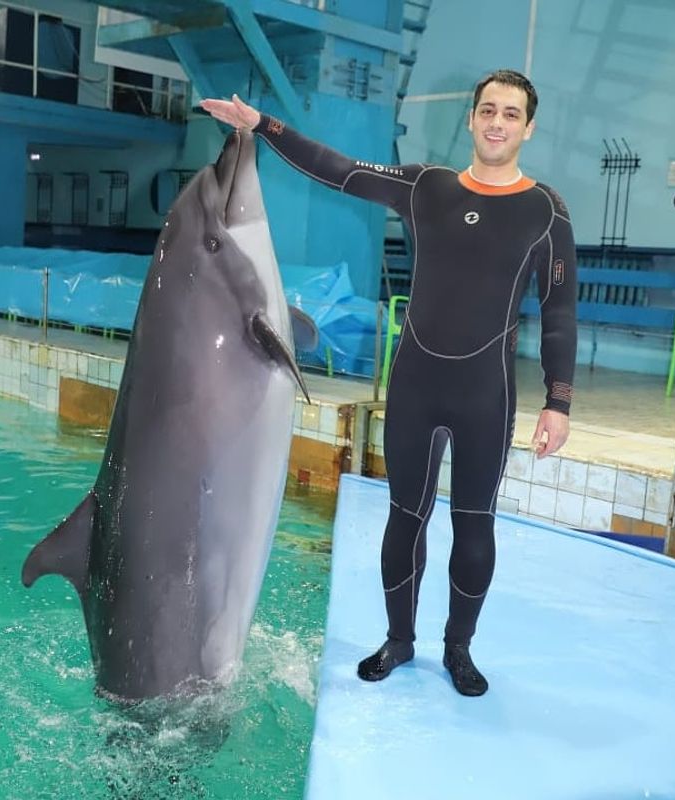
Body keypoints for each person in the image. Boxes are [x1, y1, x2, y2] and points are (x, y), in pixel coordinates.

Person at [201, 68, 577, 697]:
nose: (496, 122)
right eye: (487, 110)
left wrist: (558, 401)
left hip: (487, 391)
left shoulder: (545, 211)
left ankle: (459, 649)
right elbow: (339, 169)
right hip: (417, 381)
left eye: (511, 114)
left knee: (474, 522)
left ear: (528, 128)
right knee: (406, 515)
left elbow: (560, 310)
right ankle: (399, 641)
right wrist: (262, 126)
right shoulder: (427, 187)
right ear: (471, 118)